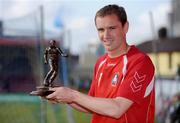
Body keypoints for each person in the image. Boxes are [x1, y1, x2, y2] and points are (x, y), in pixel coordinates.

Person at [45, 4, 155, 123]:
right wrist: (61, 96)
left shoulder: (140, 61)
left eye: (112, 28)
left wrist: (72, 95)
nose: (106, 35)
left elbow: (117, 109)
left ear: (125, 27)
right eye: (101, 30)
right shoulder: (101, 62)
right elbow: (91, 105)